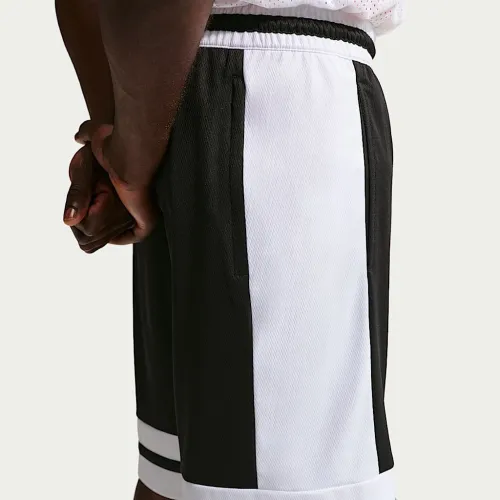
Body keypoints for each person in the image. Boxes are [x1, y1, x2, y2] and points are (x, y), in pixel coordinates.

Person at [56, 1, 404, 499]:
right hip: (274, 96)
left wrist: (121, 140)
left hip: (162, 79)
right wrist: (126, 155)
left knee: (177, 482)